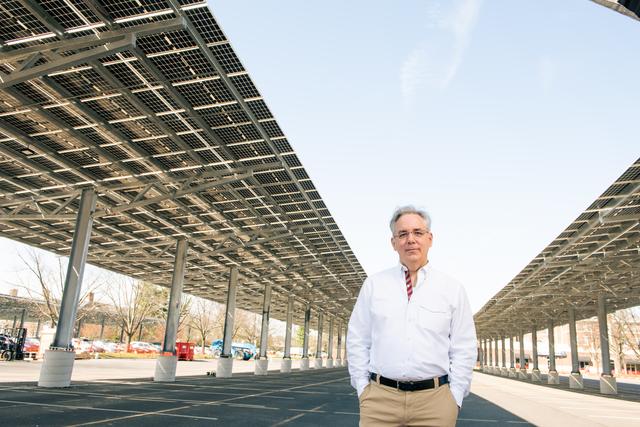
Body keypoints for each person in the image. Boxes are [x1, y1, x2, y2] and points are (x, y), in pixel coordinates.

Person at [347, 206, 477, 426]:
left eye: (418, 232)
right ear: (393, 242)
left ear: (429, 238)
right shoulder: (374, 285)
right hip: (379, 402)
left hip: (435, 403)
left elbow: (464, 346)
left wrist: (454, 396)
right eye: (403, 234)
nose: (411, 240)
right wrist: (363, 388)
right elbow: (357, 339)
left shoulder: (452, 288)